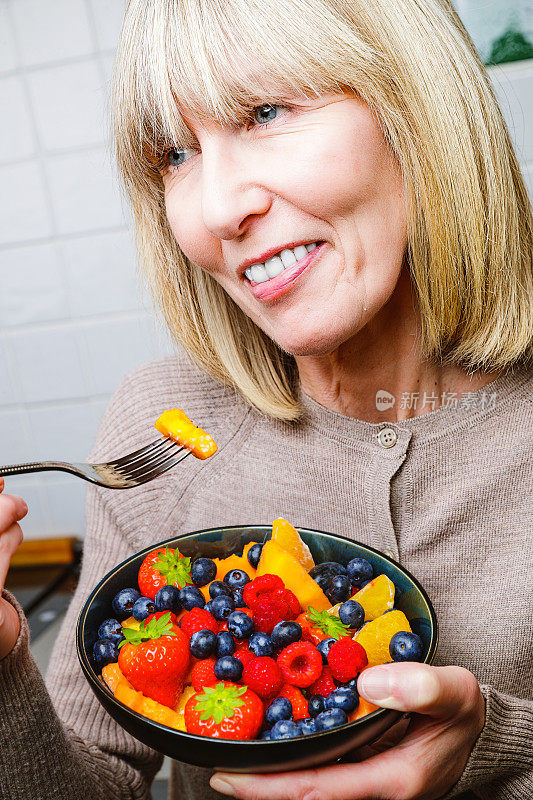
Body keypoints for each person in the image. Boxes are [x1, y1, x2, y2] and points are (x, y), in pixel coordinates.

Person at [0, 0, 532, 798]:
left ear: (416, 108)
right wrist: (4, 660)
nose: (217, 210)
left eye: (265, 111)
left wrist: (495, 753)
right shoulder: (162, 419)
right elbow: (95, 776)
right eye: (175, 154)